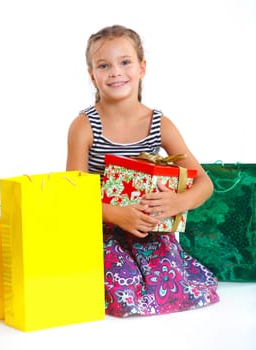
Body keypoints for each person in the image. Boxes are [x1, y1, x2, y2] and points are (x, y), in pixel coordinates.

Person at [66, 24, 219, 317]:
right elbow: (73, 194)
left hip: (149, 230)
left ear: (142, 68)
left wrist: (178, 202)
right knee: (122, 290)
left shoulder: (159, 123)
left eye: (125, 62)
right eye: (103, 65)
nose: (115, 72)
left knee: (173, 284)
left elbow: (204, 183)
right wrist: (115, 214)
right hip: (102, 229)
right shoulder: (84, 126)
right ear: (91, 74)